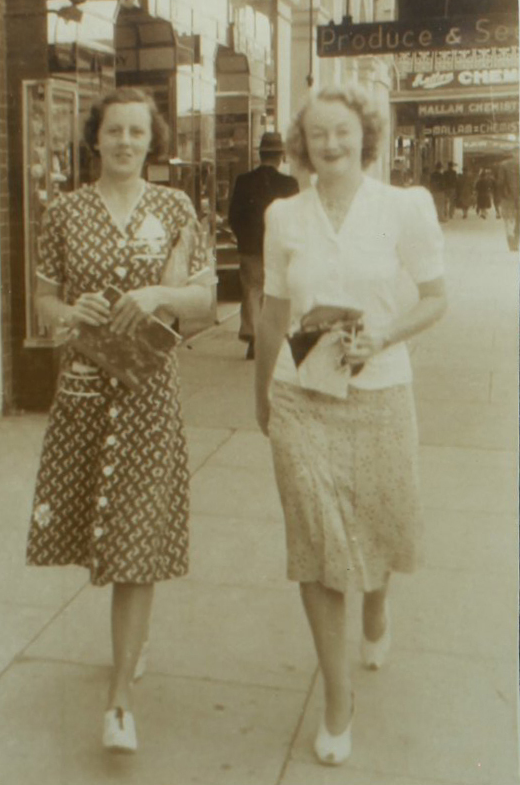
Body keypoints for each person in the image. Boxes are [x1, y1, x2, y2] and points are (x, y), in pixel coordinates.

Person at [255, 84, 446, 767]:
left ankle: (377, 606)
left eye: (341, 132)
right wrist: (261, 397)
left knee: (376, 529)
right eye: (316, 135)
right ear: (300, 144)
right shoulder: (284, 215)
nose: (329, 146)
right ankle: (337, 701)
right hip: (301, 395)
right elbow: (273, 313)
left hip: (380, 393)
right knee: (316, 543)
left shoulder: (404, 208)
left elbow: (435, 297)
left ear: (367, 135)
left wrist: (386, 335)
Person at [26, 87, 212, 753]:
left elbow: (205, 297)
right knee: (95, 537)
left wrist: (159, 291)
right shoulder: (65, 211)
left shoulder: (176, 207)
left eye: (138, 132)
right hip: (83, 394)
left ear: (152, 139)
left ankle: (120, 704)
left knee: (135, 539)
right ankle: (132, 647)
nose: (126, 142)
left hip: (149, 395)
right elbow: (42, 299)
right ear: (94, 138)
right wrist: (69, 314)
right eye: (114, 131)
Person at [228, 132, 299, 359]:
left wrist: (243, 238)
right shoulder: (289, 184)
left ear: (260, 155)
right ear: (280, 156)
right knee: (279, 291)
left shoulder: (243, 181)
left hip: (251, 248)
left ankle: (254, 337)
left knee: (252, 291)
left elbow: (233, 216)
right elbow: (295, 219)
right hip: (280, 249)